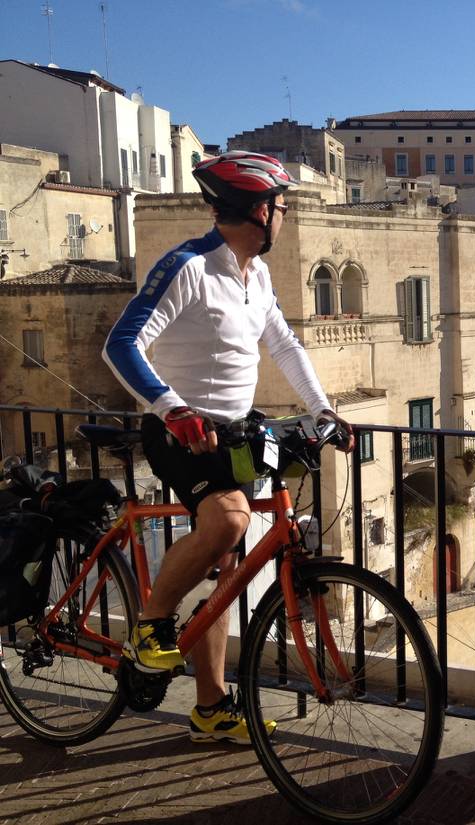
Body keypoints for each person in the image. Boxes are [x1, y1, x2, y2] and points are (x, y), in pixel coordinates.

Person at [103, 151, 354, 744]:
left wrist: (324, 411)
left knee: (228, 577)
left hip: (235, 434)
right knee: (230, 521)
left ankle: (211, 708)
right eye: (282, 206)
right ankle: (152, 624)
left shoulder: (255, 274)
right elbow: (122, 345)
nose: (285, 216)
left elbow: (286, 346)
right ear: (257, 209)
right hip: (179, 432)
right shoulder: (188, 267)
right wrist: (173, 407)